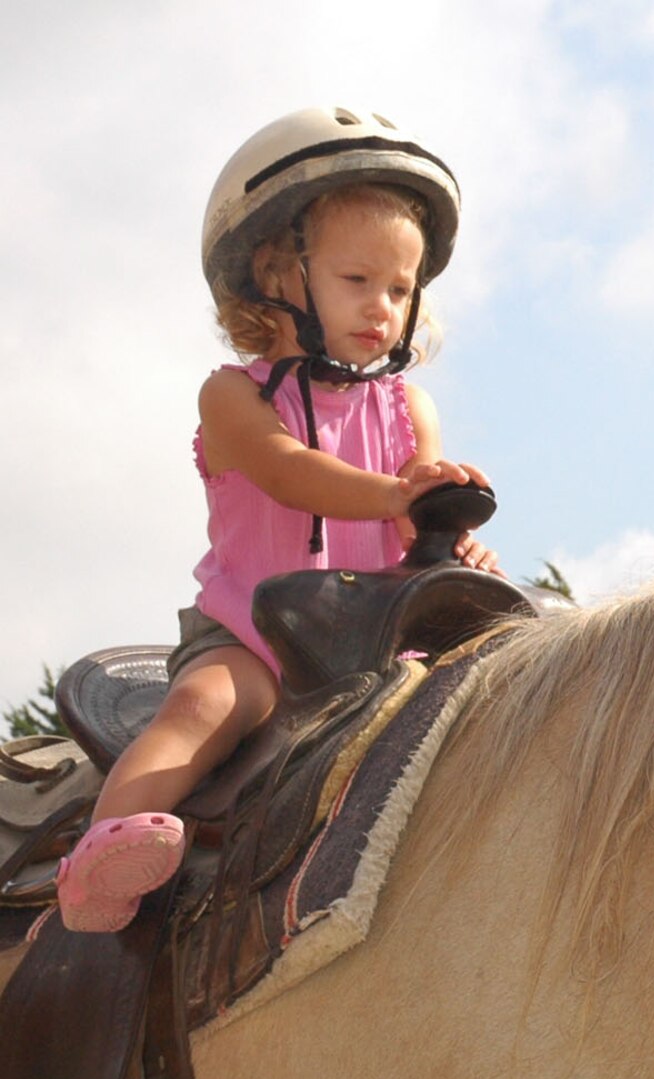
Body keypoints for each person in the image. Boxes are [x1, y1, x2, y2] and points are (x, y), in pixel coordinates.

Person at [56, 107, 501, 934]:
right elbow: (293, 474)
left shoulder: (410, 409)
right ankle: (101, 856)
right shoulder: (233, 396)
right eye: (356, 280)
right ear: (277, 275)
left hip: (368, 643)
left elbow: (413, 532)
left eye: (401, 290)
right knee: (205, 706)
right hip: (251, 637)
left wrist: (450, 535)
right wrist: (397, 494)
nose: (383, 307)